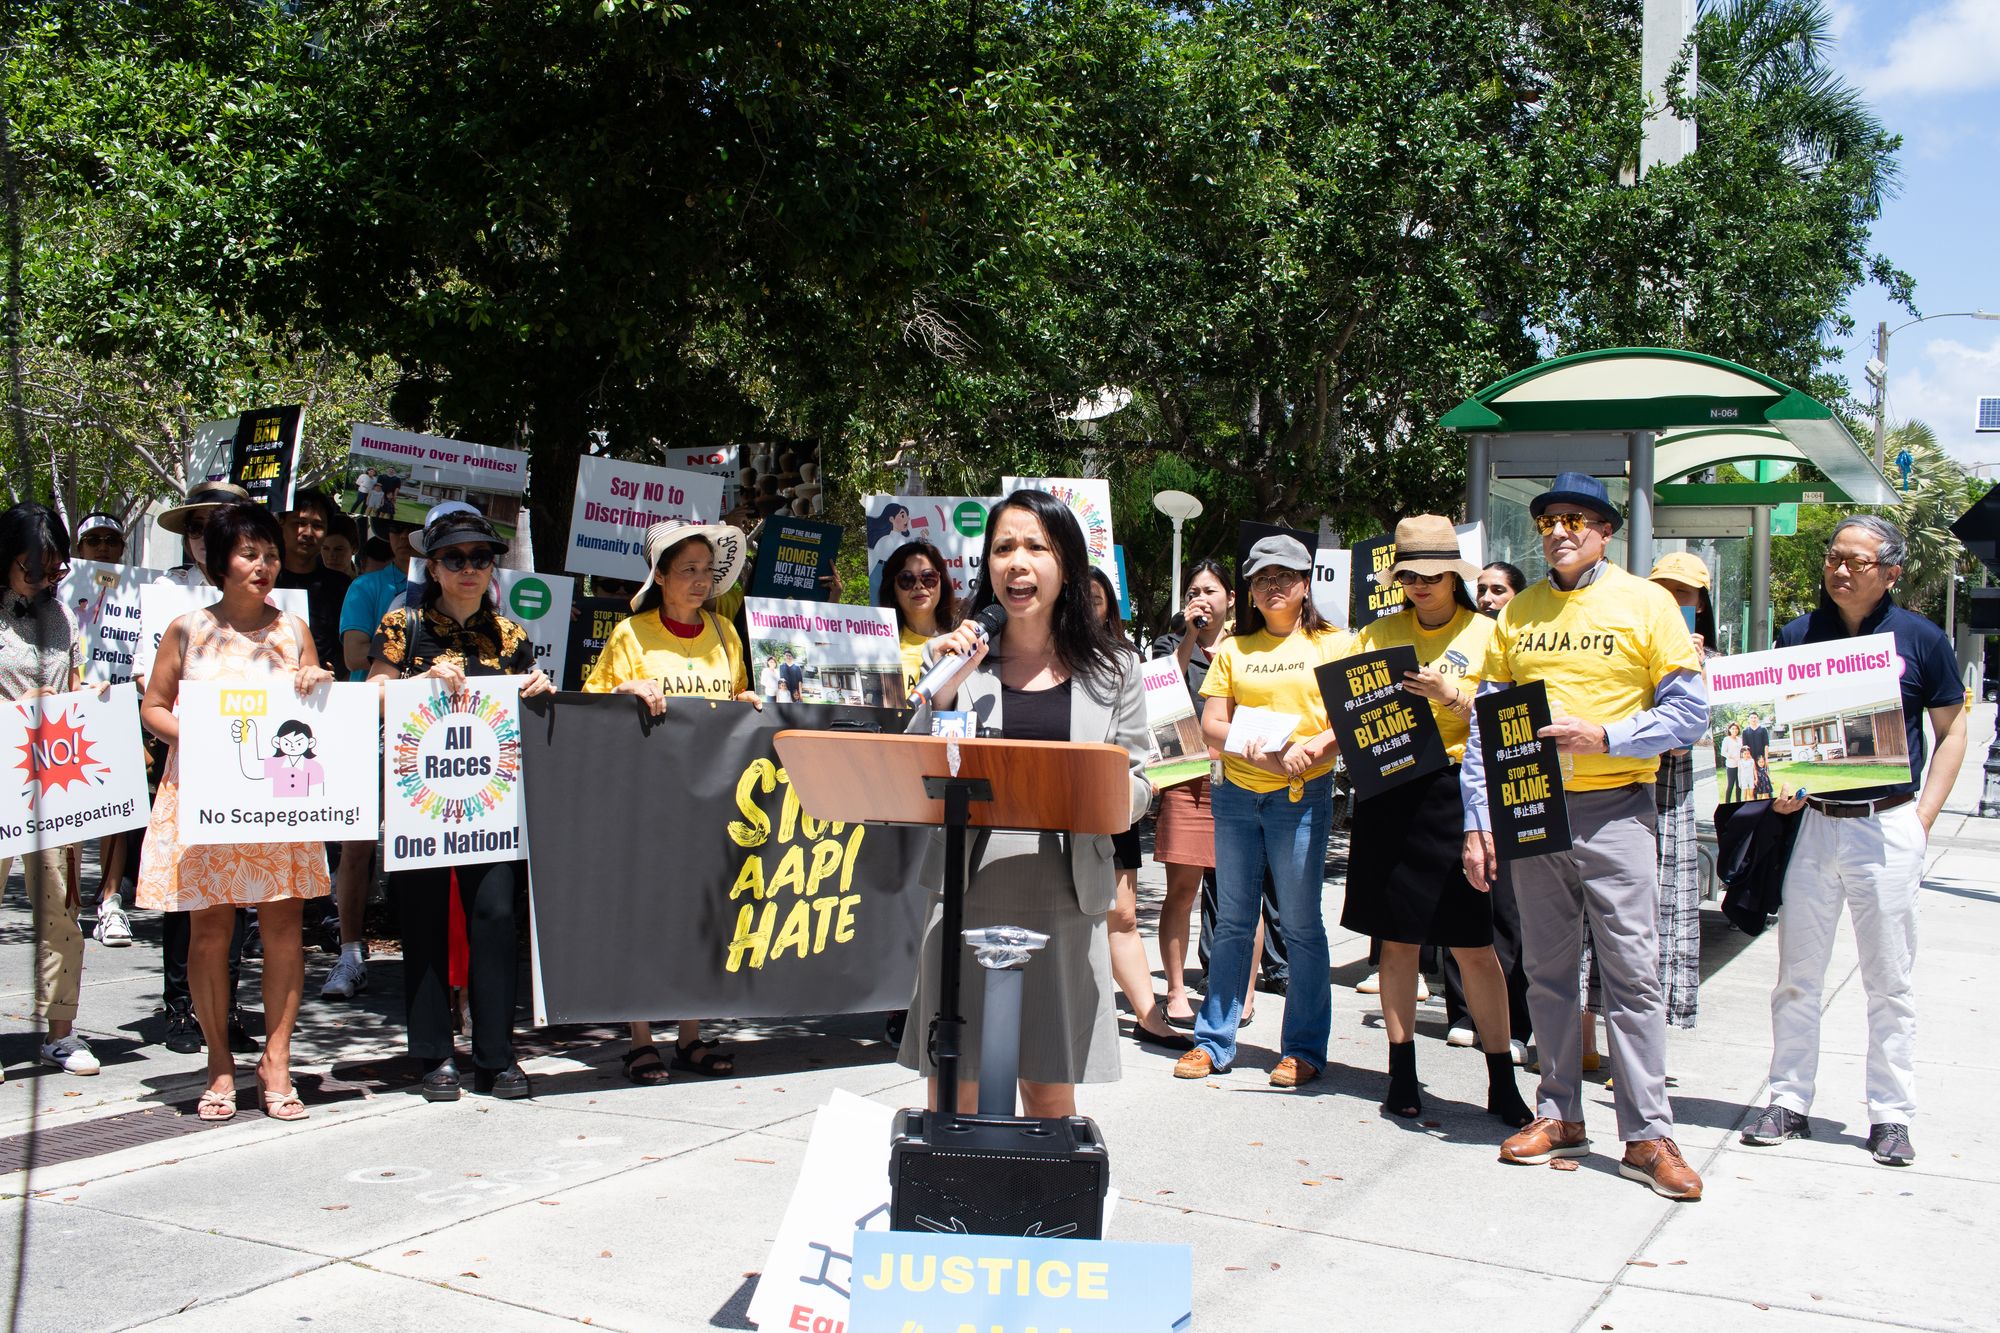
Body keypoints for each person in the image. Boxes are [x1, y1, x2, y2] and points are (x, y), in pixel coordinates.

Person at [1461, 473, 1709, 1200]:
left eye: (1576, 518)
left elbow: (1690, 712)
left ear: (1604, 531)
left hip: (1617, 807)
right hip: (1533, 810)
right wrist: (1479, 818)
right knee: (1546, 972)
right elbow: (1486, 723)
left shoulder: (1648, 603)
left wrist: (1608, 734)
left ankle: (1646, 1135)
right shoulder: (1520, 613)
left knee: (1632, 976)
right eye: (1548, 520)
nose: (1560, 530)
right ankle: (1559, 1112)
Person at [900, 490, 1153, 1116]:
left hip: (1064, 893)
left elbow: (1142, 780)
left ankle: (1037, 1210)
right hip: (967, 887)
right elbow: (917, 770)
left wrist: (1095, 789)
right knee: (954, 1084)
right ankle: (951, 1209)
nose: (1018, 562)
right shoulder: (961, 662)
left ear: (1065, 562)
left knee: (1047, 1082)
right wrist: (947, 694)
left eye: (1036, 547)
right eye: (1003, 548)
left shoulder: (1114, 669)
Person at [1741, 516, 1967, 1168]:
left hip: (1888, 825)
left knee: (1889, 980)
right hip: (1815, 824)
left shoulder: (1921, 639)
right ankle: (1787, 1098)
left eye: (1857, 560)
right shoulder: (1795, 636)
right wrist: (1777, 782)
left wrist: (1922, 819)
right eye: (1834, 557)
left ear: (1890, 571)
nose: (1841, 569)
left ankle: (1891, 1114)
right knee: (1796, 976)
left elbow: (1953, 730)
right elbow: (1770, 727)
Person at [135, 502, 334, 1120]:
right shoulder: (187, 629)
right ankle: (220, 1062)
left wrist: (316, 680)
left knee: (281, 931)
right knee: (210, 932)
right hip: (204, 798)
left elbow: (314, 703)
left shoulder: (293, 628)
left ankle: (276, 1060)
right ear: (220, 562)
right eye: (250, 554)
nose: (264, 565)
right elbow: (154, 707)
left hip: (277, 801)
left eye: (270, 554)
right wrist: (197, 736)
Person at [1340, 515, 1532, 1127]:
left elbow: (1508, 718)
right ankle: (1401, 1072)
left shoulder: (1488, 634)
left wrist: (1450, 696)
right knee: (1395, 942)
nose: (1420, 584)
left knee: (1474, 945)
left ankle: (1501, 1078)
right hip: (1389, 791)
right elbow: (1348, 706)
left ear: (1455, 574)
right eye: (1408, 574)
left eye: (1431, 574)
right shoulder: (1374, 635)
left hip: (1457, 795)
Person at [368, 507, 553, 1101]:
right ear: (433, 566)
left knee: (497, 921)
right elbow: (372, 695)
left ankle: (497, 1055)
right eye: (455, 558)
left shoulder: (511, 635)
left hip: (492, 803)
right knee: (421, 922)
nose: (470, 569)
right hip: (421, 801)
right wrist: (413, 686)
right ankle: (432, 1054)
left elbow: (527, 705)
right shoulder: (403, 627)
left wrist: (538, 689)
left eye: (481, 557)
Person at [585, 517, 760, 1085]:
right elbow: (589, 702)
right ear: (659, 576)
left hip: (713, 803)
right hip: (647, 801)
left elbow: (734, 701)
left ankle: (691, 1034)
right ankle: (640, 1038)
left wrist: (749, 701)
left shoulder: (726, 635)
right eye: (687, 570)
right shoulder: (631, 635)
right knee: (645, 915)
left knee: (703, 917)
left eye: (708, 571)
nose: (701, 581)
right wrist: (624, 689)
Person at [1174, 534, 1350, 1087]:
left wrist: (1313, 751)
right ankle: (1213, 1040)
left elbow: (1350, 718)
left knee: (1300, 926)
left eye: (1284, 578)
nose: (1272, 588)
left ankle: (1302, 1047)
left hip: (1302, 798)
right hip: (1236, 796)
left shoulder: (1335, 644)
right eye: (1261, 579)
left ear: (1305, 584)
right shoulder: (1233, 649)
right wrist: (1268, 752)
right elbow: (1212, 726)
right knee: (1231, 921)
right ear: (1249, 591)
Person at [144, 481, 259, 1056]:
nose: (205, 534)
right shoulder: (166, 598)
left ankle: (228, 1001)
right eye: (197, 526)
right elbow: (152, 689)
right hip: (187, 762)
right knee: (188, 897)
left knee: (239, 895)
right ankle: (181, 1006)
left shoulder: (275, 609)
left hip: (249, 764)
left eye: (220, 522)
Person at [0, 504, 101, 1076]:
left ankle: (61, 1031)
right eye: (31, 568)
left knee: (60, 906)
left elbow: (71, 682)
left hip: (53, 778)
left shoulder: (62, 616)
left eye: (55, 568)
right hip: (0, 771)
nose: (44, 578)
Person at [321, 509, 425, 1002]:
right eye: (397, 530)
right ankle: (350, 953)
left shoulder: (458, 590)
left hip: (433, 732)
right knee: (358, 843)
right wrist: (416, 665)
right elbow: (354, 654)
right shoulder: (366, 587)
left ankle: (426, 958)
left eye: (414, 530)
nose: (404, 538)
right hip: (370, 724)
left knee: (425, 843)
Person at [1086, 567, 1189, 1052]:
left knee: (1123, 915)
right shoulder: (1044, 657)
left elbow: (1142, 741)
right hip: (1060, 809)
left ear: (1111, 606)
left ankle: (1151, 1017)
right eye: (1080, 597)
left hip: (1112, 803)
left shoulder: (1125, 661)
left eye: (1098, 598)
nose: (1089, 606)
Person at [1146, 559, 1242, 1030]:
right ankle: (1178, 990)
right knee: (1182, 890)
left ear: (1230, 599)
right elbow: (1165, 685)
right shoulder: (1170, 643)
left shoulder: (1247, 647)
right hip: (1186, 772)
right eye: (1192, 592)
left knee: (1241, 893)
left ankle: (1238, 991)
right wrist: (1190, 635)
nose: (1200, 598)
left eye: (1209, 590)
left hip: (1241, 774)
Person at [73, 511, 137, 949]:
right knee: (71, 814)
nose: (102, 548)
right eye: (92, 540)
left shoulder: (141, 593)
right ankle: (70, 901)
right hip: (69, 709)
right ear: (79, 550)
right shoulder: (60, 591)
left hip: (122, 708)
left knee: (116, 814)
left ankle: (110, 902)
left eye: (110, 540)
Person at [878, 539, 961, 699]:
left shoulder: (961, 642)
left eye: (928, 577)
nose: (918, 586)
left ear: (941, 584)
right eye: (906, 579)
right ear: (892, 589)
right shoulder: (880, 647)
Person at [1741, 711, 1773, 798]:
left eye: (1755, 717)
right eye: (1751, 717)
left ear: (1757, 718)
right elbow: (1745, 747)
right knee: (1754, 780)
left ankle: (1769, 798)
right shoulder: (1745, 731)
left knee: (1766, 779)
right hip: (1751, 759)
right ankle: (1755, 799)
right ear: (1749, 719)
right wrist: (1751, 760)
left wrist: (1766, 759)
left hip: (1762, 759)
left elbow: (1766, 745)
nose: (1753, 719)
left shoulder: (1763, 729)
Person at [320, 511, 359, 577]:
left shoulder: (367, 585)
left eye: (338, 549)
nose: (331, 556)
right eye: (325, 548)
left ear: (354, 548)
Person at [1720, 722, 1744, 803]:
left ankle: (1738, 801)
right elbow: (1723, 752)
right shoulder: (1726, 739)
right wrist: (1730, 756)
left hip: (1740, 765)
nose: (1735, 730)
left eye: (1736, 728)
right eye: (1733, 728)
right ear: (1729, 729)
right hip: (1731, 765)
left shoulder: (1740, 739)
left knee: (1739, 785)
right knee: (1730, 785)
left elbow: (1742, 751)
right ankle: (1727, 802)